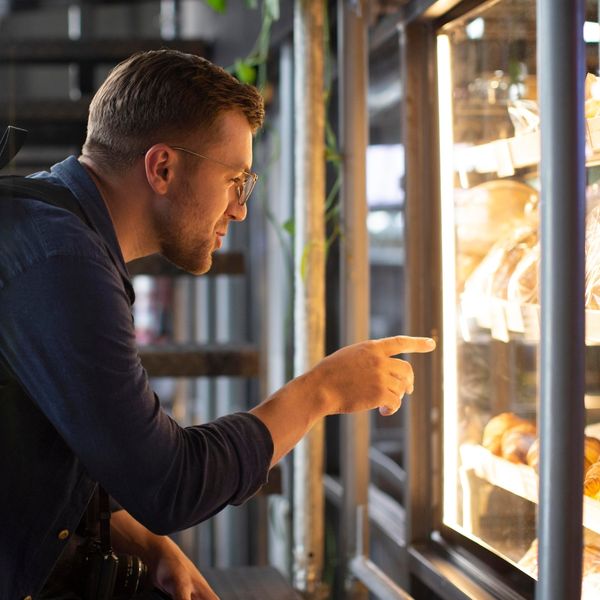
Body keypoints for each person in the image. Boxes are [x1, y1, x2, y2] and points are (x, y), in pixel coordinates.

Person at [0, 49, 435, 599]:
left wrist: (145, 543)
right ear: (162, 168)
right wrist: (320, 391)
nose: (241, 209)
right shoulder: (61, 261)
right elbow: (168, 484)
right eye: (237, 181)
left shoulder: (56, 233)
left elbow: (52, 443)